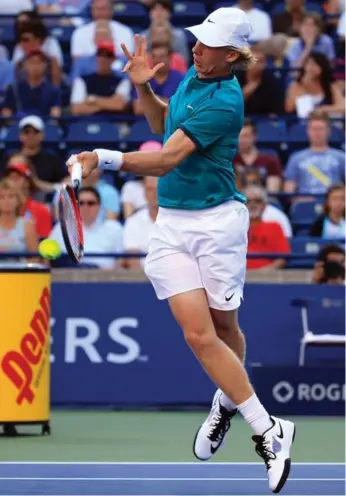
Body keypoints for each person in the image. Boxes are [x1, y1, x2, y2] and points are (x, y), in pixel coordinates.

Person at [67, 9, 296, 493]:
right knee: (198, 335)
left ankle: (225, 401)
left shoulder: (226, 99)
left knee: (224, 328)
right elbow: (164, 126)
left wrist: (104, 158)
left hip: (217, 224)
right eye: (197, 41)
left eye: (208, 45)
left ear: (232, 56)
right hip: (171, 223)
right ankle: (270, 429)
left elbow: (169, 159)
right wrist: (145, 89)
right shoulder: (194, 76)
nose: (195, 49)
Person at [0, 178, 38, 258]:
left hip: (20, 269)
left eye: (11, 196)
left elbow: (35, 258)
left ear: (18, 199)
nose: (7, 201)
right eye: (2, 197)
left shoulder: (27, 225)